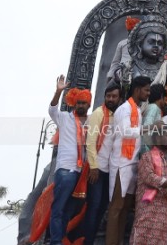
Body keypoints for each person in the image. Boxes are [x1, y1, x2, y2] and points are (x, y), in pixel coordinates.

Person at [103, 75, 152, 245]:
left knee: (125, 208)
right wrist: (148, 128)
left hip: (131, 164)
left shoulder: (137, 109)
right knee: (116, 207)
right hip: (120, 164)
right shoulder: (125, 109)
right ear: (137, 90)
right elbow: (126, 132)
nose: (148, 93)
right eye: (146, 89)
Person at [47, 76, 91, 245]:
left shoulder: (91, 122)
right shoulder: (65, 118)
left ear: (88, 105)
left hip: (81, 174)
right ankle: (55, 242)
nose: (80, 105)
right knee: (58, 208)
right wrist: (58, 91)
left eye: (84, 103)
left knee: (69, 210)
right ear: (74, 104)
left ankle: (60, 239)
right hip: (65, 170)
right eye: (78, 102)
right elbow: (52, 110)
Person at [81, 84, 122, 245]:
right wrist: (93, 166)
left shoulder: (118, 116)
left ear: (119, 98)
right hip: (97, 170)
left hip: (110, 171)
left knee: (103, 207)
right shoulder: (98, 114)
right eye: (108, 96)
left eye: (114, 96)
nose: (111, 99)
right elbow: (90, 142)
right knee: (94, 207)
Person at [133, 123, 167, 245]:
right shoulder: (147, 156)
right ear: (156, 138)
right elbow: (148, 177)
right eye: (166, 135)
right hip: (148, 207)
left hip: (165, 209)